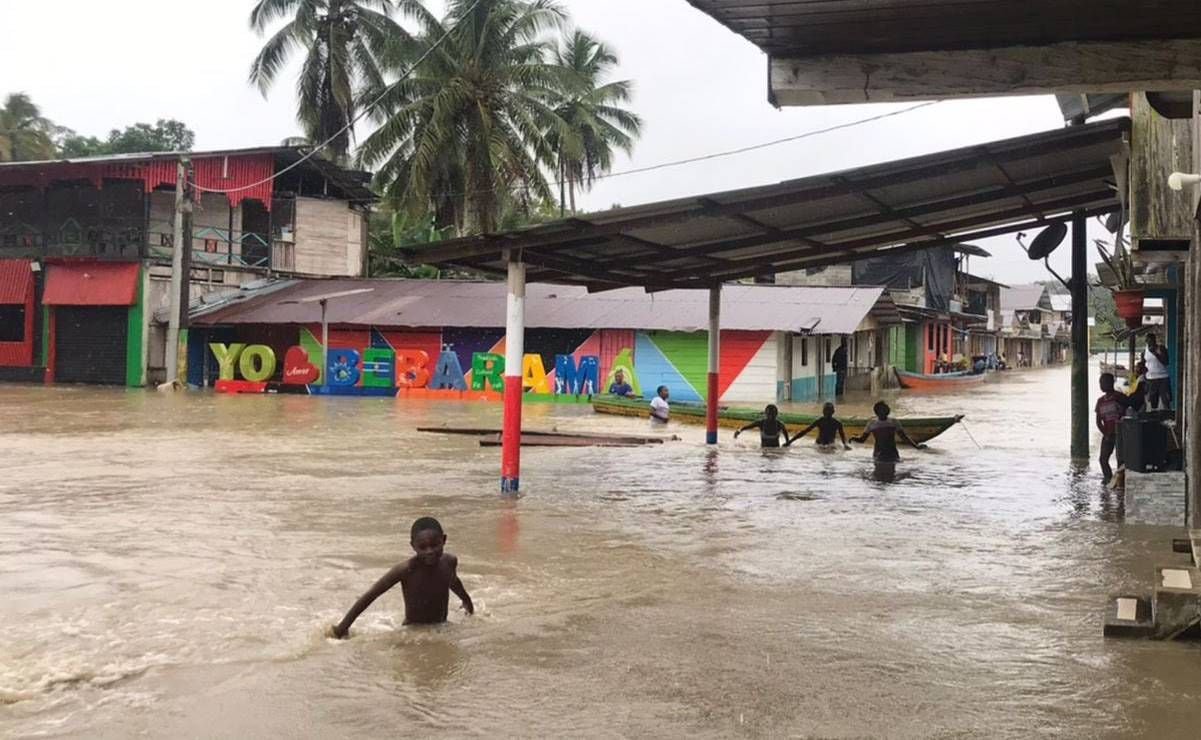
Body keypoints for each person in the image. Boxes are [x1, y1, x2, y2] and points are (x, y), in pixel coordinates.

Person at [329, 517, 473, 637]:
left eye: (434, 545)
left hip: (442, 627)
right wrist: (342, 627)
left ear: (444, 540)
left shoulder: (449, 562)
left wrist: (467, 601)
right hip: (413, 633)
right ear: (413, 546)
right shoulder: (406, 570)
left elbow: (452, 581)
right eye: (422, 547)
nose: (429, 551)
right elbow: (371, 595)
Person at [851, 401, 927, 462]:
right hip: (878, 454)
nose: (885, 411)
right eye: (882, 409)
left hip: (892, 453)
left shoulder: (894, 422)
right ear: (877, 412)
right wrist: (854, 438)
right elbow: (862, 439)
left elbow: (904, 437)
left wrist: (916, 446)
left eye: (885, 409)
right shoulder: (872, 423)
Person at [1095, 372, 1127, 484]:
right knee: (1103, 460)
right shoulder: (1100, 401)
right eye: (1100, 382)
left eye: (1103, 382)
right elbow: (1098, 421)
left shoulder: (1119, 397)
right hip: (1107, 434)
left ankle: (1121, 482)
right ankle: (1108, 479)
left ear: (1111, 383)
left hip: (1120, 434)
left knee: (1121, 460)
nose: (1101, 385)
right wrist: (1105, 434)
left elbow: (1127, 413)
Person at [1143, 333, 1172, 411]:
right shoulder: (1145, 351)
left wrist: (1155, 353)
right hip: (1151, 379)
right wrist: (1144, 376)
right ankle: (1153, 418)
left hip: (1163, 378)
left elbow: (1166, 362)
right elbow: (1143, 364)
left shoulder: (1161, 348)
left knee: (1166, 400)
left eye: (1151, 340)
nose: (1149, 342)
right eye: (1147, 341)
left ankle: (1167, 415)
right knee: (1153, 402)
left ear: (1154, 340)